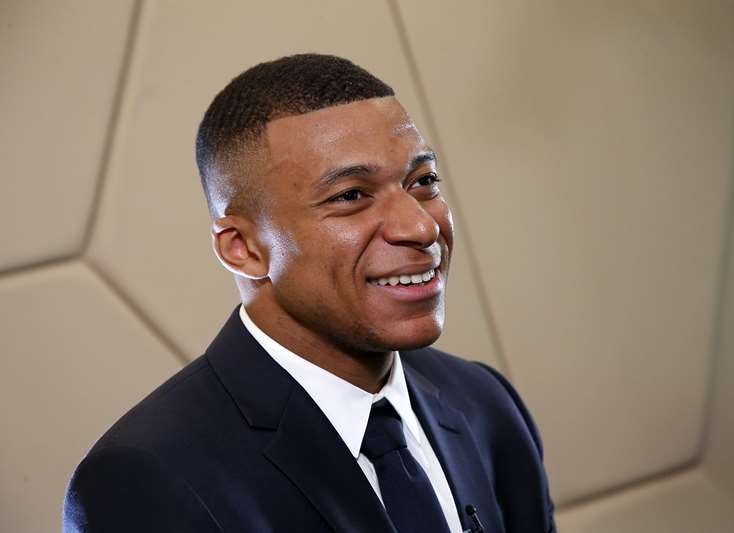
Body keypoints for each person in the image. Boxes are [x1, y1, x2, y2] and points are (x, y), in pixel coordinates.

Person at [63, 54, 556, 533]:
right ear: (243, 248)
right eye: (351, 196)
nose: (420, 226)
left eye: (423, 181)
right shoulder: (146, 478)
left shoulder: (484, 402)